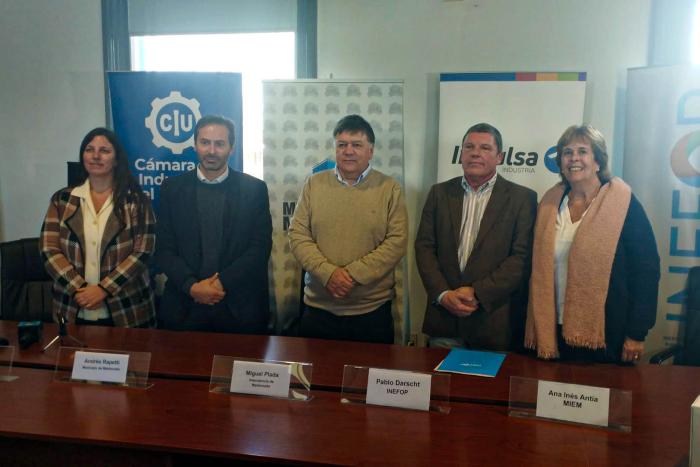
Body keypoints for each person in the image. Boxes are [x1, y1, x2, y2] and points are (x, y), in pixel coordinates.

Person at [525, 125, 660, 363]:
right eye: (567, 152)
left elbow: (646, 270)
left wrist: (637, 332)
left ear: (598, 161)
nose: (573, 158)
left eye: (582, 151)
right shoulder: (549, 203)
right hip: (551, 330)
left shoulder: (623, 203)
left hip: (606, 335)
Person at [415, 123, 537, 350]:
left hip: (494, 322)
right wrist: (443, 294)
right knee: (443, 385)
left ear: (499, 157)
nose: (475, 153)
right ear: (461, 154)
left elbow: (521, 258)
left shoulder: (522, 199)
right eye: (469, 147)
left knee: (489, 387)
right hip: (445, 320)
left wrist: (478, 293)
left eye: (485, 148)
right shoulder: (439, 194)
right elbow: (424, 248)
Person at [288, 114, 408, 343]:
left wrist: (351, 275)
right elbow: (298, 234)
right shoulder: (314, 184)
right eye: (342, 145)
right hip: (318, 310)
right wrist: (329, 274)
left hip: (371, 312)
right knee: (318, 378)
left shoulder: (390, 188)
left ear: (370, 151)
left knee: (368, 377)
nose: (348, 151)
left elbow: (396, 241)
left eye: (356, 145)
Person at [155, 115, 272, 333]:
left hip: (239, 309)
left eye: (219, 144)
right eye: (205, 142)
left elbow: (260, 248)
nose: (211, 150)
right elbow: (164, 249)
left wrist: (220, 284)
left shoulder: (254, 189)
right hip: (185, 307)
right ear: (195, 145)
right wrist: (192, 286)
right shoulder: (172, 189)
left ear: (232, 148)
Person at [40, 127, 156, 327]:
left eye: (104, 150)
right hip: (73, 308)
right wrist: (80, 289)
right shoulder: (62, 200)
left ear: (117, 159)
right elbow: (49, 249)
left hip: (127, 310)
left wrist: (103, 290)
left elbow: (143, 253)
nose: (95, 156)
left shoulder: (136, 201)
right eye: (89, 149)